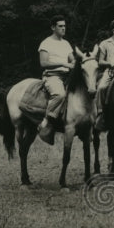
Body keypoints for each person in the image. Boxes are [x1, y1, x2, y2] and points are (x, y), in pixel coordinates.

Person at [37, 15, 83, 144]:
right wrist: (63, 64)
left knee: (84, 92)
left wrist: (75, 62)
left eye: (64, 26)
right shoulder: (46, 43)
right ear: (53, 27)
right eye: (60, 26)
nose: (63, 28)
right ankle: (46, 121)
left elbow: (71, 58)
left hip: (67, 76)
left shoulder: (66, 43)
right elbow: (43, 63)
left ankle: (84, 125)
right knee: (60, 94)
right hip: (52, 75)